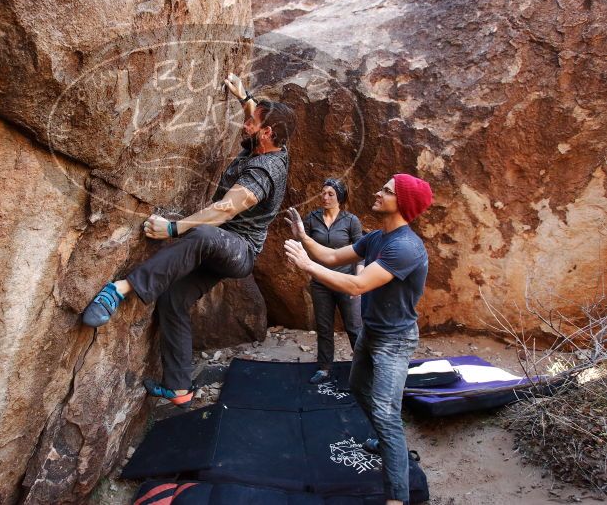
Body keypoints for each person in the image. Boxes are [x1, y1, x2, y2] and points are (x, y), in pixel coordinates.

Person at [82, 73, 295, 409]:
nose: (245, 124)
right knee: (173, 301)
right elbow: (261, 117)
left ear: (267, 133)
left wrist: (173, 229)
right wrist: (245, 98)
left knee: (202, 233)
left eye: (251, 122)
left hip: (237, 251)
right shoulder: (273, 141)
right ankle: (180, 387)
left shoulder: (264, 172)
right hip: (220, 246)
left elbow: (224, 210)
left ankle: (120, 290)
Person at [283, 174, 432, 505]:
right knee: (358, 388)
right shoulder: (378, 237)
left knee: (386, 412)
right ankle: (384, 437)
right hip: (373, 332)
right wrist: (305, 238)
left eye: (387, 191)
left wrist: (306, 265)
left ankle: (397, 497)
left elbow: (357, 285)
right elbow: (334, 257)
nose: (378, 192)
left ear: (402, 204)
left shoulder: (405, 247)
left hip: (395, 341)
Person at [302, 178, 364, 384]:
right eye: (323, 192)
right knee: (324, 326)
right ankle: (324, 368)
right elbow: (304, 244)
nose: (325, 197)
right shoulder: (312, 219)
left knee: (354, 326)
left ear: (340, 197)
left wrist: (359, 280)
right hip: (320, 281)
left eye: (330, 194)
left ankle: (364, 370)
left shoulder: (351, 220)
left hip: (346, 279)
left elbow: (360, 251)